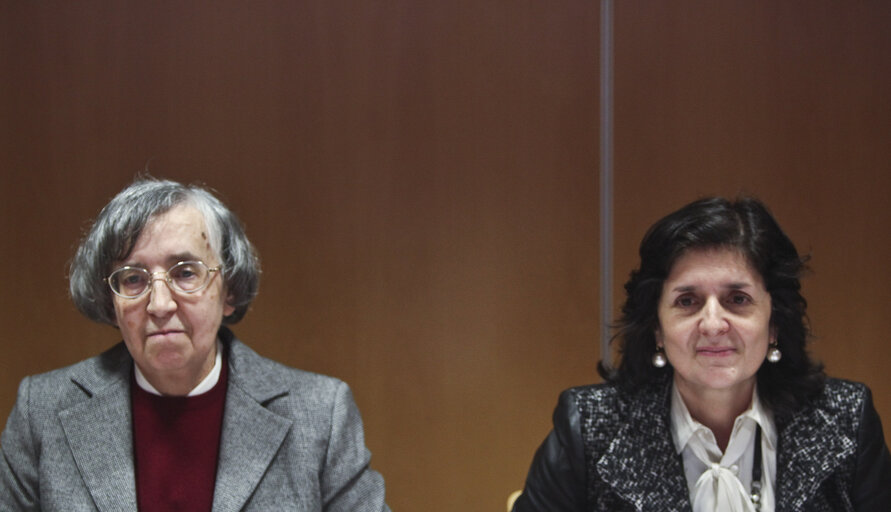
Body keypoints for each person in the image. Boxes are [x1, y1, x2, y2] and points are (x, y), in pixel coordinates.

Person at [0, 177, 390, 511]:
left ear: (229, 290)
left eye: (185, 273)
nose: (160, 304)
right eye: (133, 279)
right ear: (112, 303)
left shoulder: (320, 414)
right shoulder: (43, 412)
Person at [512, 197, 891, 511]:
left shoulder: (845, 419)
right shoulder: (590, 428)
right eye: (687, 301)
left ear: (774, 323)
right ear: (657, 329)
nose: (712, 324)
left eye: (737, 299)